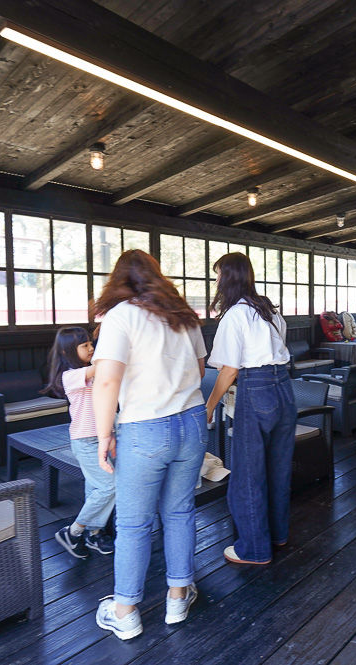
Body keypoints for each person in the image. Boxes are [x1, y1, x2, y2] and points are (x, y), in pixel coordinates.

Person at [92, 249, 207, 638]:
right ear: (156, 276)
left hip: (144, 427)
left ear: (119, 280)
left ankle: (125, 611)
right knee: (179, 512)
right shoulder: (183, 316)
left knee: (134, 523)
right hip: (191, 422)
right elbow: (201, 368)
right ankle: (178, 595)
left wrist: (104, 433)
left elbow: (107, 380)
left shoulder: (121, 316)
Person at [205, 252, 297, 565]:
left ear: (227, 277)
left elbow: (229, 370)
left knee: (247, 472)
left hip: (255, 389)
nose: (215, 280)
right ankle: (277, 535)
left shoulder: (235, 315)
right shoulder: (268, 309)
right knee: (278, 468)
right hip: (284, 388)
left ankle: (254, 550)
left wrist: (209, 405)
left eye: (217, 274)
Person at [42, 326, 115, 559]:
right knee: (110, 485)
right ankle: (73, 532)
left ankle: (94, 534)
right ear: (66, 352)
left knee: (96, 487)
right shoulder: (71, 376)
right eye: (84, 345)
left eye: (91, 344)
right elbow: (103, 366)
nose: (91, 348)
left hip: (102, 437)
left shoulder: (89, 372)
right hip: (85, 440)